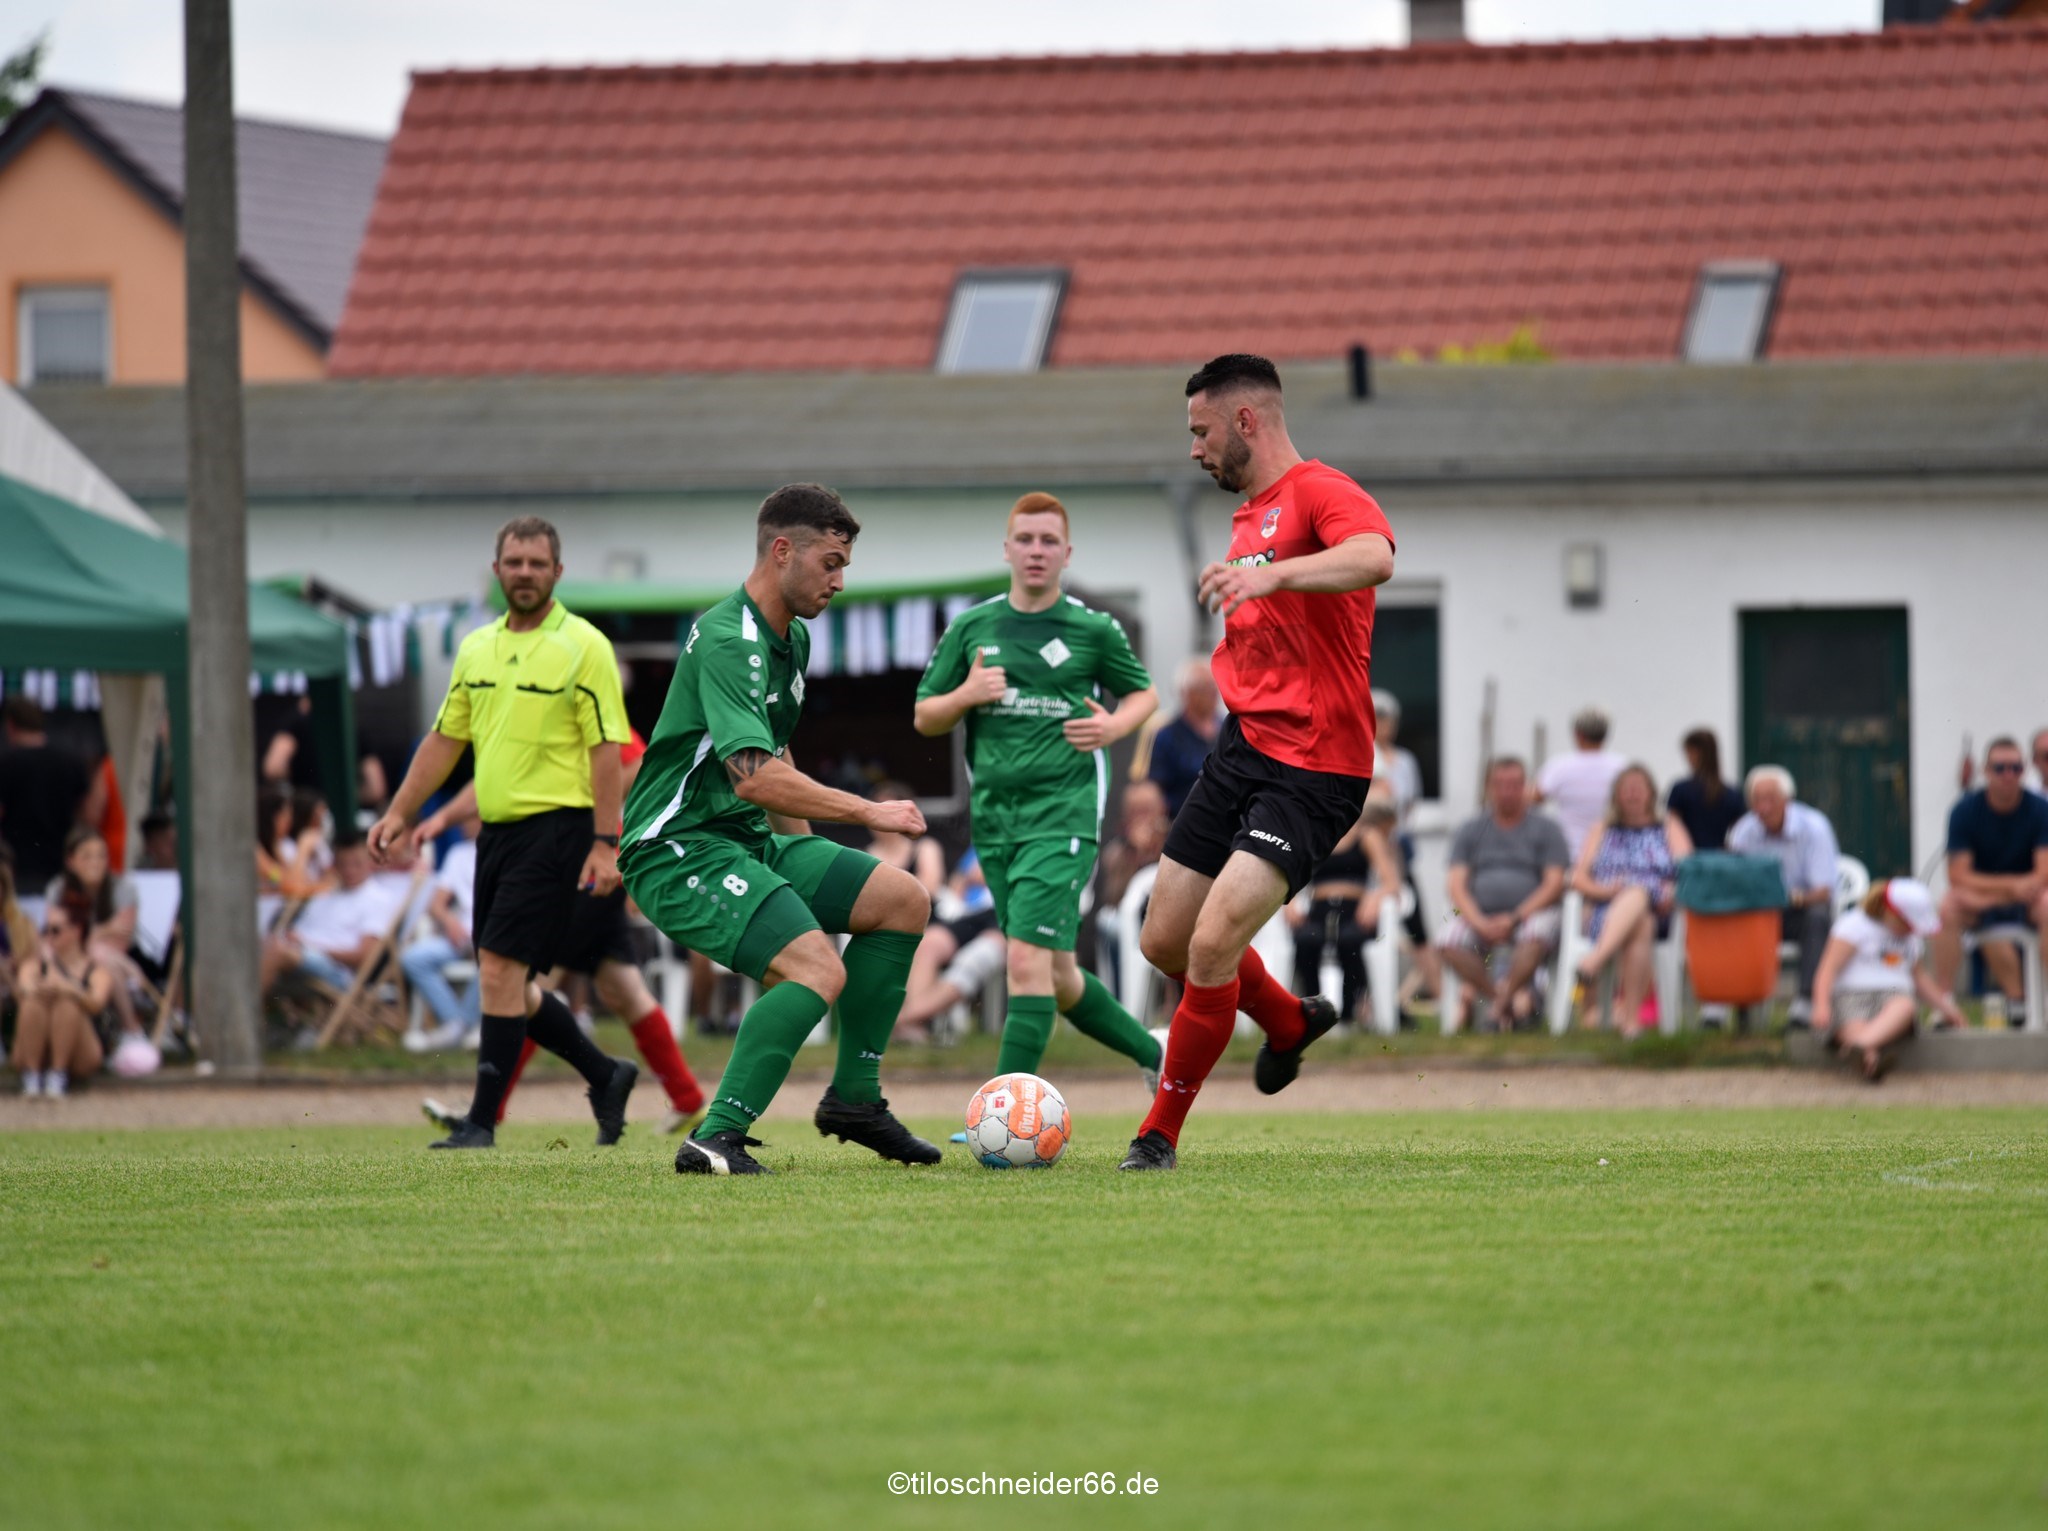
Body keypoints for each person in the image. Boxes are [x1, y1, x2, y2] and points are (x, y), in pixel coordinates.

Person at [1122, 354, 1396, 1172]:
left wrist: (1277, 576)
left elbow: (1375, 555)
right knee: (1164, 941)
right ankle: (1287, 1020)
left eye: (1201, 431)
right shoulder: (1247, 518)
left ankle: (1157, 1135)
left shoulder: (1320, 491)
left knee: (1211, 947)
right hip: (1242, 749)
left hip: (1316, 767)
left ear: (1247, 420)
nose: (1194, 449)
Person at [622, 484, 938, 1176]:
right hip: (677, 849)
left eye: (844, 565)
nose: (839, 581)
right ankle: (715, 1138)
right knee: (816, 969)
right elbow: (752, 775)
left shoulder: (790, 637)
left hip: (745, 842)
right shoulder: (729, 638)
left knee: (902, 900)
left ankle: (855, 1101)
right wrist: (868, 810)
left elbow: (775, 750)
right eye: (831, 563)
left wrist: (801, 847)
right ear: (783, 550)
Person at [369, 515, 640, 1149]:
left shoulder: (585, 645)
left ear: (557, 572)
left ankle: (481, 1123)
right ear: (496, 571)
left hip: (559, 830)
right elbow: (445, 739)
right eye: (514, 563)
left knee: (497, 968)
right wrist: (400, 812)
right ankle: (606, 1074)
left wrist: (606, 843)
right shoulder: (475, 648)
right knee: (509, 981)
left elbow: (608, 751)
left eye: (537, 564)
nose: (525, 573)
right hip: (494, 835)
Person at [914, 490, 1165, 1101]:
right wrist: (967, 694)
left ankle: (1002, 1111)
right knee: (1057, 972)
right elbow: (925, 715)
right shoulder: (973, 626)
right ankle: (1155, 1053)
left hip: (1064, 815)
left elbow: (1144, 695)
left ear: (1066, 553)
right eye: (1025, 539)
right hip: (996, 823)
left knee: (1024, 961)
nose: (1036, 551)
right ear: (1007, 549)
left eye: (1048, 541)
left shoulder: (1092, 628)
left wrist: (1113, 727)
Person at [415, 725, 710, 1136]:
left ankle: (486, 1111)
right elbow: (493, 780)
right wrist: (445, 817)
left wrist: (598, 817)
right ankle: (686, 1098)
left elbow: (637, 762)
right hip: (581, 866)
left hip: (583, 867)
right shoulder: (525, 715)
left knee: (522, 982)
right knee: (622, 990)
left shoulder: (578, 704)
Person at [1438, 756, 1571, 1030]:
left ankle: (1497, 1008)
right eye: (1500, 785)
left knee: (1536, 934)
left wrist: (1515, 917)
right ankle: (1502, 1001)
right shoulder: (1470, 829)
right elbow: (1456, 885)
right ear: (1488, 787)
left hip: (1531, 913)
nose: (1507, 792)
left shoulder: (1547, 829)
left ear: (1526, 787)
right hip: (1480, 915)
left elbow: (1554, 884)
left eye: (1514, 785)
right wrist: (1479, 922)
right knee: (1447, 941)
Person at [1929, 736, 2048, 1016]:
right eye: (2000, 768)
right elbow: (1958, 875)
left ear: (2024, 770)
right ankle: (1944, 1002)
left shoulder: (2040, 809)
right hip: (1982, 901)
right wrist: (2010, 888)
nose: (2008, 775)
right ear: (1985, 770)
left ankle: (2039, 998)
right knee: (1948, 907)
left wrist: (2008, 892)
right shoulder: (1964, 811)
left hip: (2024, 899)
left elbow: (2043, 872)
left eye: (2016, 768)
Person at [1568, 764, 1692, 1033]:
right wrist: (1605, 892)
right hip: (1606, 911)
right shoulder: (1602, 829)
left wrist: (1672, 892)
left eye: (1638, 789)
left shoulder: (1668, 826)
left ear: (1651, 794)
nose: (1633, 794)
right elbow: (1578, 878)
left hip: (1660, 909)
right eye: (1626, 789)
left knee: (1638, 891)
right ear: (1616, 796)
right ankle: (1631, 1021)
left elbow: (1689, 870)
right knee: (1641, 922)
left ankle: (1594, 961)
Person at [1814, 878, 1964, 1081]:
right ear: (1890, 912)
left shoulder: (1911, 938)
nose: (1912, 930)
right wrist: (1821, 1004)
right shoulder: (1854, 926)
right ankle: (1869, 1060)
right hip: (1850, 997)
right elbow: (1828, 968)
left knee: (1905, 1006)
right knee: (1853, 1026)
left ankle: (1859, 1048)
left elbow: (1919, 977)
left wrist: (1947, 1009)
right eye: (1907, 924)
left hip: (1894, 995)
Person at [1727, 765, 1840, 1024]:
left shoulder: (1814, 827)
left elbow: (1823, 891)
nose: (1763, 808)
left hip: (1797, 909)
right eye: (1757, 800)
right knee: (1729, 917)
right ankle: (1735, 1003)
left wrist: (1786, 897)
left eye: (1770, 799)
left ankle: (1806, 1001)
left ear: (1788, 799)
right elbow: (1733, 880)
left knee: (1817, 917)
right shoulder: (1744, 830)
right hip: (1757, 911)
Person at [1287, 790, 1402, 1025]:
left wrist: (1374, 898)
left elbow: (1392, 882)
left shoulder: (1366, 835)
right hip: (1319, 908)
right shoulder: (1315, 834)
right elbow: (1291, 874)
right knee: (1306, 941)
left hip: (1354, 910)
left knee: (1350, 941)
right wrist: (1289, 903)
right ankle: (1313, 1011)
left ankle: (1348, 1012)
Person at [259, 832, 402, 1008]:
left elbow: (365, 957)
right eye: (343, 864)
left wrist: (310, 944)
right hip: (300, 954)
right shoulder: (326, 893)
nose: (349, 870)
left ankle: (242, 1014)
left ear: (369, 862)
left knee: (276, 951)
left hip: (338, 972)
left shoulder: (378, 899)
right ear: (334, 864)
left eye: (356, 863)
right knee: (263, 945)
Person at [44, 827, 145, 1040]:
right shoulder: (58, 888)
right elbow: (55, 936)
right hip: (72, 961)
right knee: (44, 952)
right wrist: (104, 929)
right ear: (70, 861)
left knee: (102, 955)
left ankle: (131, 1031)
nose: (95, 862)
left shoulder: (123, 888)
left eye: (101, 856)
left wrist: (77, 936)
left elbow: (119, 942)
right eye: (87, 856)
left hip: (116, 962)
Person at [1373, 689, 1441, 1005]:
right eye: (1377, 718)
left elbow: (1408, 805)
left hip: (1397, 848)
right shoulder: (1360, 754)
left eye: (1387, 719)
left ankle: (1440, 994)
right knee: (1369, 924)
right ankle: (1368, 1003)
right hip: (1367, 849)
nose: (1383, 725)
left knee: (1415, 923)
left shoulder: (1405, 761)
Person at [11, 897, 113, 1098]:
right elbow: (23, 987)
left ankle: (58, 1073)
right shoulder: (35, 965)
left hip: (80, 1052)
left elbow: (97, 1004)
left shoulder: (97, 971)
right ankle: (32, 1074)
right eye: (45, 930)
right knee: (32, 1002)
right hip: (36, 1047)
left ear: (77, 931)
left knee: (67, 1003)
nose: (49, 935)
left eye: (55, 930)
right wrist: (39, 987)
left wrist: (71, 990)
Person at [401, 814, 481, 1051]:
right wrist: (449, 921)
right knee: (413, 958)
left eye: (470, 818)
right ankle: (457, 1023)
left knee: (495, 955)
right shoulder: (458, 853)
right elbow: (436, 903)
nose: (463, 823)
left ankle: (460, 1026)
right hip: (461, 936)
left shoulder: (507, 852)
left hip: (491, 938)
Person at [0, 696, 92, 905]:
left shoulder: (6, 764)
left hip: (18, 864)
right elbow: (87, 812)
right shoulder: (70, 761)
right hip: (62, 862)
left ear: (10, 726)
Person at [1535, 707, 1626, 861]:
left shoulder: (1559, 767)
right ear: (1606, 734)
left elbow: (1534, 799)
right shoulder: (1622, 767)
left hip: (1569, 853)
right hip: (1611, 854)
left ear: (1578, 734)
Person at [1137, 658, 1222, 816]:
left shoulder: (1229, 730)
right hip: (1181, 818)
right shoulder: (1167, 734)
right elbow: (1153, 785)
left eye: (1214, 686)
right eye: (1203, 688)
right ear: (1185, 693)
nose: (1212, 693)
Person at [1666, 727, 1745, 851]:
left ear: (1696, 753)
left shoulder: (1681, 790)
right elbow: (1741, 833)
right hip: (1719, 856)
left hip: (1689, 856)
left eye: (1689, 753)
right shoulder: (1732, 793)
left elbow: (1671, 827)